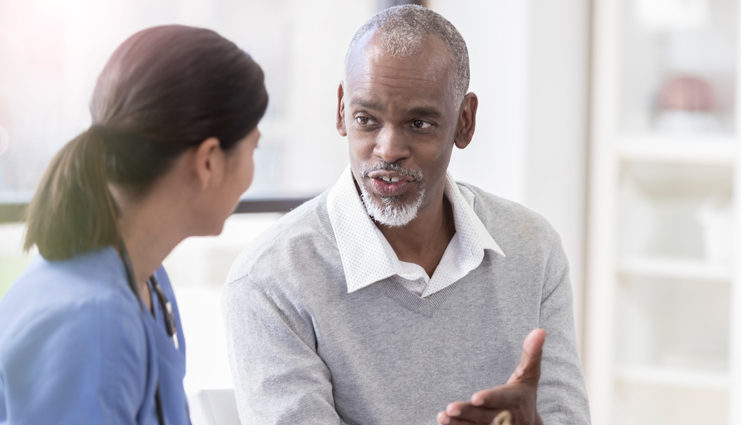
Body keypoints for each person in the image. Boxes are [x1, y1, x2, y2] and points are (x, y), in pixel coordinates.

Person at [223, 5, 589, 425]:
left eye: (419, 123)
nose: (388, 149)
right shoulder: (272, 279)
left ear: (464, 122)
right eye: (367, 119)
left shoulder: (531, 248)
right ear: (342, 109)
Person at [0, 25, 267, 424]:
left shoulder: (145, 276)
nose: (252, 174)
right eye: (253, 149)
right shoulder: (92, 324)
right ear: (208, 160)